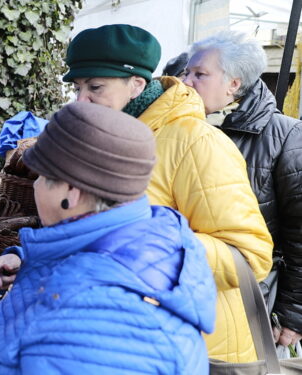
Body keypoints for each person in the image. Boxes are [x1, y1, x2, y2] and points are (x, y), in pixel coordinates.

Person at [0, 102, 217, 375]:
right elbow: (97, 259)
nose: (34, 186)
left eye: (40, 177)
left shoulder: (102, 321)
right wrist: (31, 263)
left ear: (71, 192)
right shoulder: (147, 233)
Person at [61, 24, 272, 363]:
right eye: (78, 87)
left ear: (137, 85)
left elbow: (249, 257)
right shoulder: (106, 137)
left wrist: (144, 239)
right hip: (125, 337)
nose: (81, 99)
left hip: (197, 348)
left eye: (95, 87)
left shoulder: (196, 141)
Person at [183, 31, 302, 348]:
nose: (186, 82)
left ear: (234, 83)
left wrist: (292, 316)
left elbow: (300, 234)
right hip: (192, 296)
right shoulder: (182, 129)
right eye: (186, 72)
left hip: (253, 303)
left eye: (199, 74)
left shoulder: (286, 137)